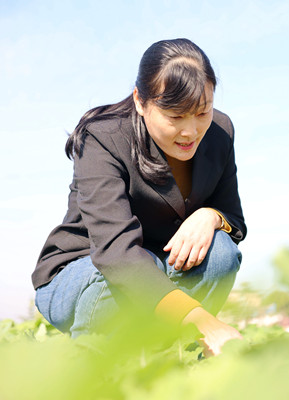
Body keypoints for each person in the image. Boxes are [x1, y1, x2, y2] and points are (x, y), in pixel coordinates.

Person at [32, 38, 246, 356]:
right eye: (175, 117)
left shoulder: (219, 132)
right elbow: (116, 255)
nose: (191, 131)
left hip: (160, 265)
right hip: (85, 269)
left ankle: (177, 352)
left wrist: (211, 216)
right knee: (114, 283)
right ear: (140, 101)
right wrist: (202, 319)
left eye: (202, 112)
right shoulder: (102, 138)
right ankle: (92, 363)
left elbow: (235, 221)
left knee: (222, 253)